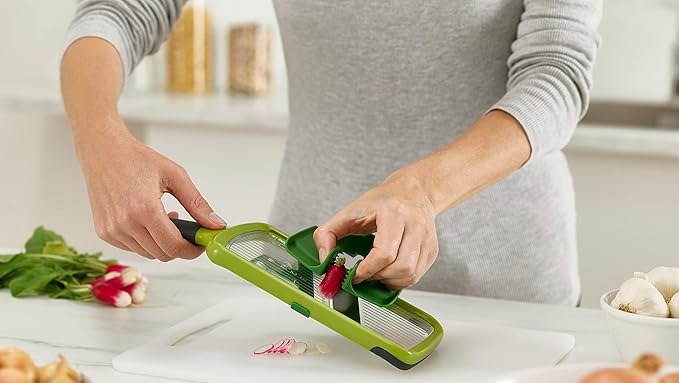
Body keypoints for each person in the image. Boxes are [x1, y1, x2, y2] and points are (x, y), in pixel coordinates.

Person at [60, 1, 602, 304]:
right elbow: (119, 12)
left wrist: (421, 190)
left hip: (503, 290)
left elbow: (556, 72)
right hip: (311, 281)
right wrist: (99, 141)